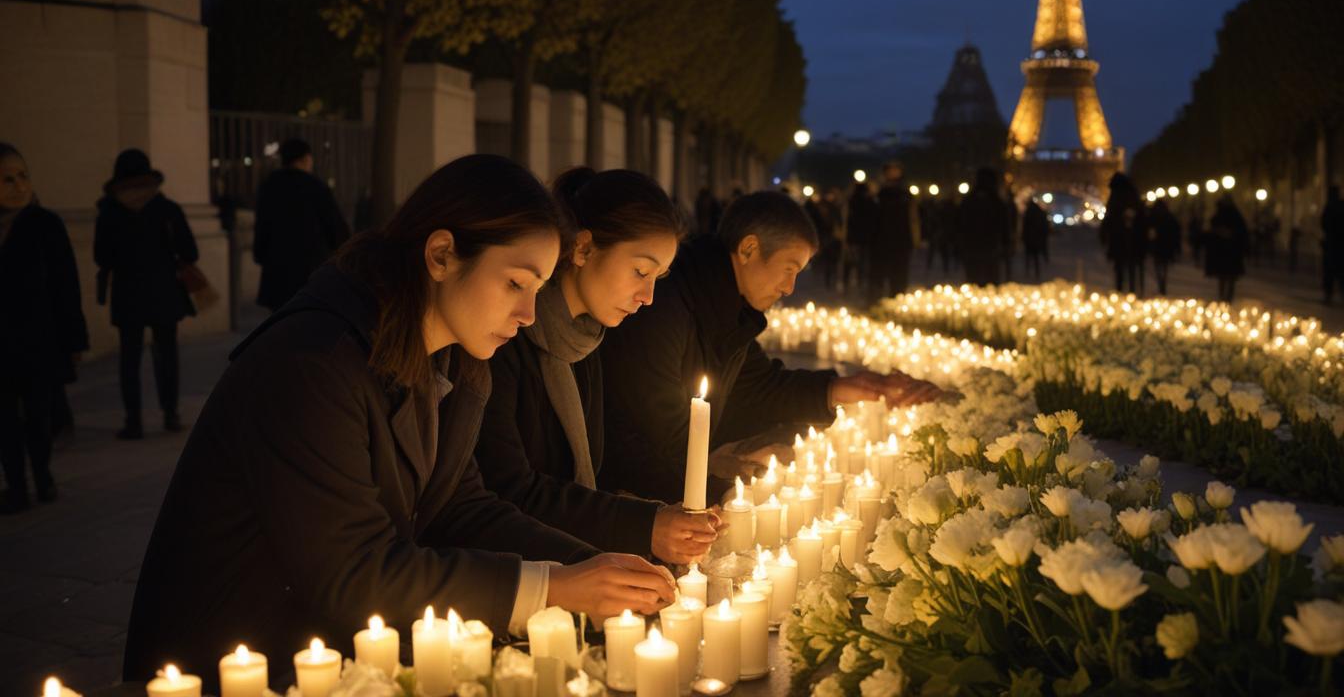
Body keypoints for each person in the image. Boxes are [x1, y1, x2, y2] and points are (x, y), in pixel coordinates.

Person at [123, 154, 676, 692]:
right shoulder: (313, 364)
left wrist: (594, 567)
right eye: (515, 284)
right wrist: (555, 586)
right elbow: (354, 572)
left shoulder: (457, 362)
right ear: (441, 254)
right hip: (235, 662)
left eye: (538, 290)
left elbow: (462, 507)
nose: (529, 314)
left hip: (342, 653)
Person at [598, 190, 944, 505]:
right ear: (749, 249)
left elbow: (757, 385)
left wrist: (840, 388)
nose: (790, 288)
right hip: (628, 497)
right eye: (789, 269)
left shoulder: (721, 304)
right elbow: (652, 439)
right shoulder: (665, 307)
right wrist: (725, 483)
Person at [476, 168, 721, 566]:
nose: (648, 297)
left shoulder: (586, 340)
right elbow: (508, 488)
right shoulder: (504, 338)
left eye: (658, 278)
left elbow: (601, 469)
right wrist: (644, 525)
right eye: (641, 272)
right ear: (584, 248)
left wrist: (663, 514)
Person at [0, 143, 89, 513]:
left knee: (39, 416)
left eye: (23, 176)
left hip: (39, 342)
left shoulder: (44, 224)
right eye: (6, 179)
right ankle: (16, 486)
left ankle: (43, 477)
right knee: (4, 421)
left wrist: (73, 341)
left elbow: (66, 286)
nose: (19, 186)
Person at [94, 149, 197, 439]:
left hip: (127, 294)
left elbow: (101, 256)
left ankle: (133, 420)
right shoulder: (167, 209)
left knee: (129, 359)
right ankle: (170, 414)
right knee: (167, 355)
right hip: (164, 292)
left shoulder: (109, 211)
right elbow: (190, 251)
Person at [253, 138, 351, 312]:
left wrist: (261, 255)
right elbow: (335, 229)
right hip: (310, 270)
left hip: (277, 269)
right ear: (305, 158)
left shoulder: (270, 187)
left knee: (280, 325)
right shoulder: (315, 187)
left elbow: (262, 227)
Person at [869, 161, 916, 302]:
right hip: (881, 241)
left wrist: (914, 237)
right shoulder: (880, 194)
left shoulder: (905, 194)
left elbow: (912, 218)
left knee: (899, 276)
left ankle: (897, 301)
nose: (893, 173)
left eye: (896, 170)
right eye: (891, 170)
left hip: (901, 240)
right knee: (879, 275)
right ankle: (877, 302)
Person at [956, 168, 1007, 286]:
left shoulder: (969, 200)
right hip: (989, 245)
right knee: (991, 278)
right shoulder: (996, 201)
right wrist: (1005, 242)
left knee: (974, 278)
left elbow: (960, 222)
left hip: (973, 245)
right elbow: (1003, 223)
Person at [1099, 173, 1146, 294]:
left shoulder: (1114, 196)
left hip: (1118, 236)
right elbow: (1142, 215)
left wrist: (1104, 235)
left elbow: (1108, 217)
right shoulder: (1134, 195)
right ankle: (1132, 290)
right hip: (1134, 236)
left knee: (1119, 265)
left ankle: (1119, 289)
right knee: (1132, 265)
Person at [1205, 194, 1249, 302]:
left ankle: (1227, 298)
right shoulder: (1221, 214)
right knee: (1224, 276)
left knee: (1229, 277)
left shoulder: (1234, 215)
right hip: (1223, 250)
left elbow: (1242, 232)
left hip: (1231, 250)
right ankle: (1223, 298)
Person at [845, 182, 877, 291]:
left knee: (852, 261)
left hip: (854, 237)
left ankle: (849, 282)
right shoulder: (870, 202)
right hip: (866, 237)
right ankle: (861, 280)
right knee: (862, 261)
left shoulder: (852, 202)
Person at [1147, 198, 1181, 296]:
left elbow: (1150, 232)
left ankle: (1161, 284)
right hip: (1166, 246)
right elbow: (1176, 232)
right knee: (1164, 266)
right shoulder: (1169, 216)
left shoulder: (1154, 217)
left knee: (1158, 266)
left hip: (1158, 246)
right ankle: (1162, 284)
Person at [1321, 187, 1344, 304]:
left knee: (1330, 272)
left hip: (1333, 245)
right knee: (1340, 272)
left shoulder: (1330, 207)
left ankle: (1328, 295)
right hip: (1339, 245)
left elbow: (1324, 224)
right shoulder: (1340, 206)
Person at [1021, 197, 1050, 281]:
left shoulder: (1028, 212)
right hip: (1036, 238)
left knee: (1028, 257)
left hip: (1029, 238)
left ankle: (1027, 272)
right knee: (1035, 257)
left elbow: (1025, 226)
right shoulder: (1039, 212)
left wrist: (1023, 236)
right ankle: (1036, 273)